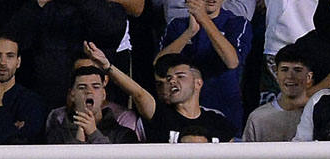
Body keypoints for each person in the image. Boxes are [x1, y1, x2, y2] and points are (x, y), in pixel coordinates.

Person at [84, 44, 235, 143]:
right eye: (169, 78)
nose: (172, 81)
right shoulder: (160, 114)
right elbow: (138, 93)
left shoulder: (217, 120)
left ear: (198, 83)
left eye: (180, 76)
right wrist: (107, 66)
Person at [157, 0, 252, 132]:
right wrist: (189, 33)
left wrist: (204, 19)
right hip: (182, 113)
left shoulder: (237, 23)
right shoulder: (177, 25)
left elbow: (232, 61)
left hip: (224, 109)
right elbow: (159, 64)